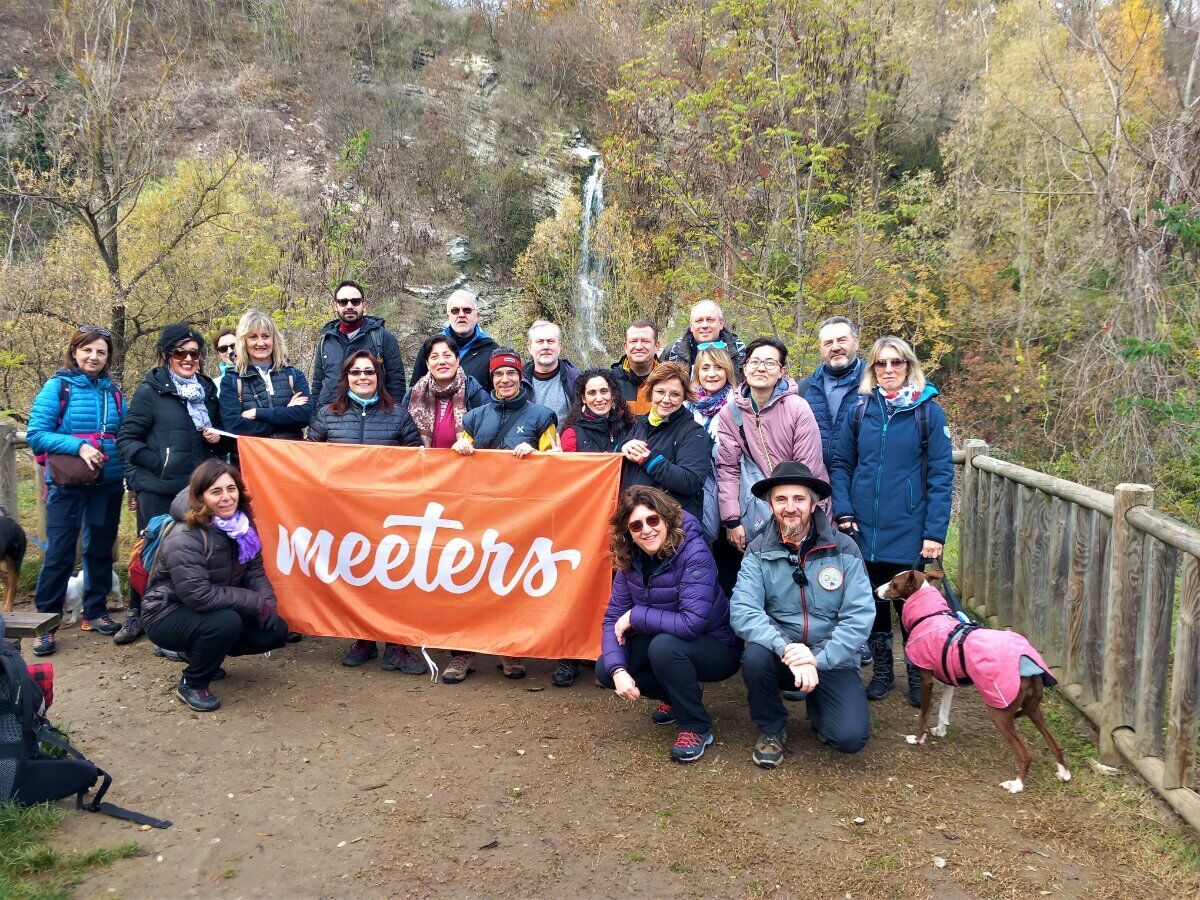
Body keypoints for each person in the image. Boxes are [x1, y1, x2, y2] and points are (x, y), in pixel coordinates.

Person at [830, 335, 954, 705]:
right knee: (875, 602)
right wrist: (844, 510)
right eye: (880, 363)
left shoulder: (927, 411)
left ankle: (917, 673)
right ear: (872, 369)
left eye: (895, 363)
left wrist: (934, 532)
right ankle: (883, 671)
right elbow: (841, 463)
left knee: (912, 606)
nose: (888, 370)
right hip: (863, 526)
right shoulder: (860, 409)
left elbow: (941, 474)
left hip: (908, 525)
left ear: (908, 366)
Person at [730, 461, 873, 768]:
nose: (790, 507)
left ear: (813, 503)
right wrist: (787, 647)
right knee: (754, 656)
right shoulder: (757, 550)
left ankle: (819, 705)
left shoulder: (844, 548)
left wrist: (816, 659)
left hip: (831, 656)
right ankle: (771, 728)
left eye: (799, 499)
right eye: (781, 499)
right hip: (781, 652)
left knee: (849, 738)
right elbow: (743, 610)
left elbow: (859, 616)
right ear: (771, 504)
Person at [598, 486, 742, 763]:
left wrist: (636, 616)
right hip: (665, 638)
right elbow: (613, 617)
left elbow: (692, 622)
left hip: (717, 646)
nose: (646, 530)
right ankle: (678, 695)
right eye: (636, 525)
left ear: (666, 518)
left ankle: (695, 726)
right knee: (606, 668)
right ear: (627, 532)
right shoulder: (630, 558)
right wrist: (618, 670)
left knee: (665, 648)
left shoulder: (694, 551)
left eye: (653, 520)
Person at [307, 350, 424, 672]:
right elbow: (306, 460)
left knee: (394, 581)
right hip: (344, 517)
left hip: (389, 515)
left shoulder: (398, 415)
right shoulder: (327, 415)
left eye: (369, 372)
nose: (362, 377)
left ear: (378, 377)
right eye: (355, 372)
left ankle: (398, 646)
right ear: (345, 378)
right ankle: (363, 640)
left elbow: (417, 463)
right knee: (355, 579)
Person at [141, 460, 289, 712]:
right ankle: (192, 682)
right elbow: (198, 595)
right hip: (165, 613)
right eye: (216, 491)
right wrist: (254, 603)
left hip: (214, 607)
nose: (226, 497)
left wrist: (268, 604)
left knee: (275, 630)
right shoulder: (185, 534)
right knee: (225, 623)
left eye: (231, 489)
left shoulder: (242, 526)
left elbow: (254, 570)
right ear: (200, 497)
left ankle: (202, 654)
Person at [448, 348, 557, 684]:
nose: (505, 380)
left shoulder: (542, 416)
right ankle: (462, 651)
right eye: (498, 375)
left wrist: (537, 454)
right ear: (491, 379)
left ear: (520, 377)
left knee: (511, 583)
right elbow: (457, 456)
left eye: (511, 374)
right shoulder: (475, 417)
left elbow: (556, 459)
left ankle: (511, 648)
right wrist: (459, 449)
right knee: (468, 582)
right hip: (478, 513)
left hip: (522, 515)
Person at [26, 328, 128, 655]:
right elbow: (37, 434)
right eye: (87, 350)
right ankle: (46, 621)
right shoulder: (57, 388)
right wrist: (79, 445)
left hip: (107, 483)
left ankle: (95, 611)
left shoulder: (113, 393)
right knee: (59, 552)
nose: (93, 357)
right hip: (67, 485)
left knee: (99, 548)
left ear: (108, 357)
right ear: (74, 352)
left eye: (100, 352)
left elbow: (123, 434)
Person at [717, 337, 826, 554]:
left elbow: (807, 469)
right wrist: (731, 519)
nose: (761, 368)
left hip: (800, 508)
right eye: (755, 362)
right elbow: (728, 468)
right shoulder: (730, 412)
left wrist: (789, 513)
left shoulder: (797, 408)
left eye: (770, 363)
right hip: (757, 509)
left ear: (781, 371)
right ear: (745, 367)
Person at [118, 324, 230, 528]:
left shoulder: (208, 391)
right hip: (158, 491)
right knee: (158, 553)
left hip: (199, 490)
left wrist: (218, 440)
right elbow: (127, 439)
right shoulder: (150, 391)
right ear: (166, 354)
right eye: (180, 352)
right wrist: (159, 464)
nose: (187, 359)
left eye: (194, 353)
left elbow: (223, 437)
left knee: (193, 554)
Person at [619, 362, 710, 520]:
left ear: (684, 396)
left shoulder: (694, 433)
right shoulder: (640, 424)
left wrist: (648, 459)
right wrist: (622, 447)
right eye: (660, 392)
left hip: (672, 526)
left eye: (674, 394)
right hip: (634, 520)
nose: (666, 399)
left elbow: (691, 481)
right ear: (651, 393)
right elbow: (618, 460)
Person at [219, 309, 314, 451]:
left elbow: (306, 415)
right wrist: (286, 416)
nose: (261, 343)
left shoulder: (293, 375)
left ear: (274, 340)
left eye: (265, 336)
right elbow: (234, 425)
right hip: (252, 461)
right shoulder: (231, 381)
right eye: (253, 337)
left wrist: (257, 413)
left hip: (291, 458)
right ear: (243, 341)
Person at [688, 346, 740, 594]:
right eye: (705, 368)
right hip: (699, 489)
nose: (711, 373)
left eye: (718, 367)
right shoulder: (686, 407)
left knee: (733, 556)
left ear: (727, 371)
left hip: (734, 488)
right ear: (697, 372)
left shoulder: (739, 404)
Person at [311, 280, 407, 406]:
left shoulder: (383, 338)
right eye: (343, 302)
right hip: (331, 418)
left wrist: (394, 418)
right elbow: (318, 384)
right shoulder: (326, 340)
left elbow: (396, 383)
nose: (349, 306)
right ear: (335, 306)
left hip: (372, 417)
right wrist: (315, 417)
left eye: (355, 301)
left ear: (364, 305)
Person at [403, 334, 489, 449]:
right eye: (434, 357)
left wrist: (471, 444)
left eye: (447, 356)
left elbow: (489, 436)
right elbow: (401, 434)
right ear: (427, 364)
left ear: (457, 360)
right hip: (421, 465)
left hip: (464, 465)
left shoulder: (475, 393)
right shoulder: (412, 395)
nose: (442, 361)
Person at [802, 316, 865, 472]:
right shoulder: (804, 389)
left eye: (842, 340)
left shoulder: (876, 385)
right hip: (816, 483)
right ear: (821, 348)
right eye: (828, 343)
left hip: (860, 483)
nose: (835, 347)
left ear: (856, 342)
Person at [410, 287, 499, 389]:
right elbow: (415, 388)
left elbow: (497, 395)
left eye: (467, 310)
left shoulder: (491, 350)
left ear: (477, 315)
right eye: (455, 311)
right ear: (447, 317)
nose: (461, 315)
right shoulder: (431, 347)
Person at [560, 368, 634, 453]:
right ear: (584, 398)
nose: (599, 399)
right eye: (592, 393)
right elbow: (567, 466)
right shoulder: (572, 434)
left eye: (604, 391)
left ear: (612, 394)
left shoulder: (626, 424)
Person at [521, 320, 580, 424]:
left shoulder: (577, 379)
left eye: (550, 341)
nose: (545, 347)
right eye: (540, 341)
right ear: (529, 347)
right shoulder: (518, 382)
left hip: (568, 439)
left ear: (560, 346)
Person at [662, 300, 746, 372]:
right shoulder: (674, 350)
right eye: (699, 321)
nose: (705, 325)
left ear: (721, 324)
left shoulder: (738, 349)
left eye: (710, 320)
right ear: (691, 326)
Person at [611, 320, 661, 416]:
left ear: (656, 346)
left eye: (645, 341)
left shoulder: (669, 380)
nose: (638, 347)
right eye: (633, 341)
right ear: (625, 346)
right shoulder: (611, 381)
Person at [213, 329, 237, 396]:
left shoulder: (260, 373)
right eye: (223, 348)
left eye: (234, 346)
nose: (230, 351)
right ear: (218, 353)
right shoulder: (214, 386)